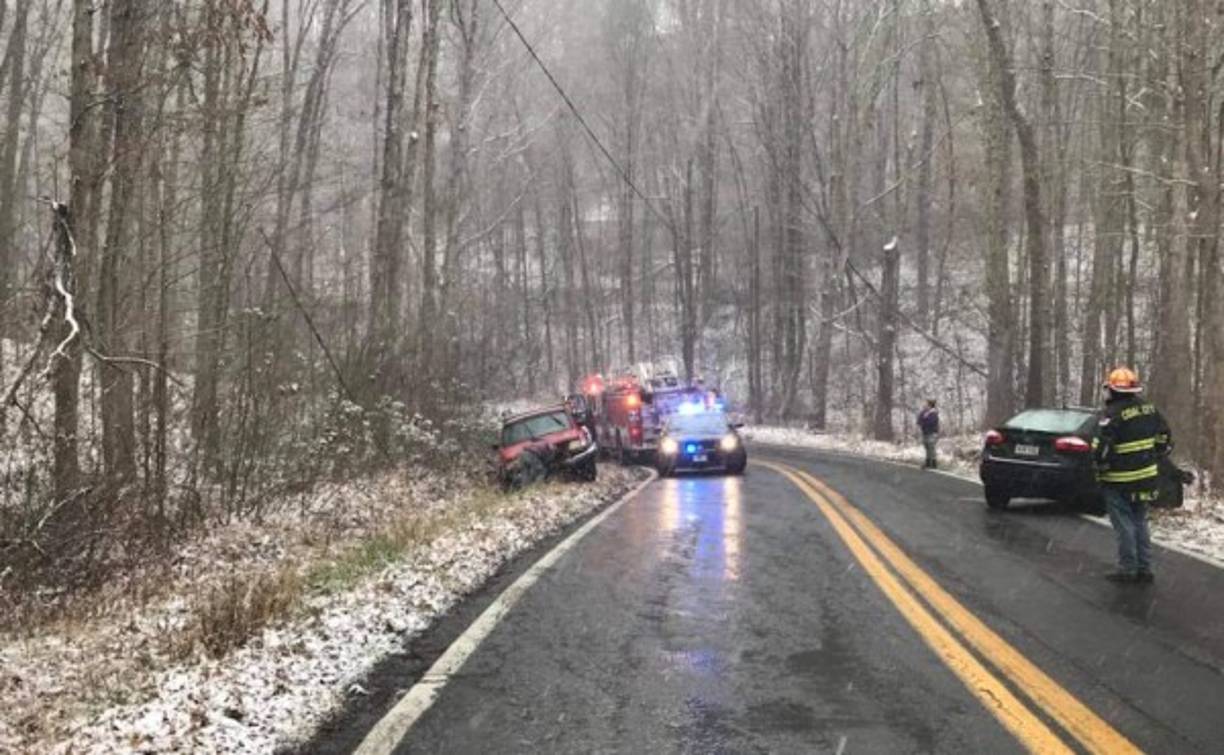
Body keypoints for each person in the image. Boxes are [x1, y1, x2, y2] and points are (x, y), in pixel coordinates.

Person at [1095, 367, 1171, 585]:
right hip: (1146, 477)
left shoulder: (1111, 414)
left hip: (1119, 479)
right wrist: (1152, 455)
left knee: (1124, 524)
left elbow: (1102, 447)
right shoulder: (1150, 409)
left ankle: (1127, 568)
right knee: (1139, 521)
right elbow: (1164, 437)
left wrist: (1100, 465)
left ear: (1113, 390)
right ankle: (1144, 568)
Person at [917, 399, 940, 469]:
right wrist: (923, 421)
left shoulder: (934, 413)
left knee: (931, 447)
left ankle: (933, 463)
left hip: (932, 432)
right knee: (927, 447)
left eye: (926, 404)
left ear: (930, 405)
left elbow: (931, 423)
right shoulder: (923, 412)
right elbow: (919, 420)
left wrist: (924, 421)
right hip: (925, 432)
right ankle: (928, 462)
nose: (925, 405)